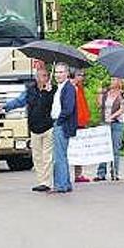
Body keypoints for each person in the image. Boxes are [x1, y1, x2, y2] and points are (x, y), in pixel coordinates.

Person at [0, 66, 57, 192]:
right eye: (42, 76)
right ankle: (41, 180)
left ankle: (47, 182)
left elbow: (57, 105)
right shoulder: (30, 90)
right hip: (34, 127)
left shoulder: (53, 90)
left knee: (47, 156)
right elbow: (19, 101)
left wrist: (49, 92)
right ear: (37, 78)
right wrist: (5, 107)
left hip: (48, 127)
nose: (45, 78)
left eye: (47, 76)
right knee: (37, 156)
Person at [51, 63, 78, 194]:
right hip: (58, 122)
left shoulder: (69, 88)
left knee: (59, 156)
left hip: (62, 124)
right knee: (62, 155)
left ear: (67, 73)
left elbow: (68, 109)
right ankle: (66, 183)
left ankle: (60, 185)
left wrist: (59, 122)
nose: (58, 75)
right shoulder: (59, 87)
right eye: (56, 72)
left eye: (61, 72)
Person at [95, 77, 124, 182]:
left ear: (119, 82)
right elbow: (100, 105)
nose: (111, 81)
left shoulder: (123, 95)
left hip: (117, 123)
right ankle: (100, 174)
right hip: (105, 122)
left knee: (115, 148)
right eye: (111, 79)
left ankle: (114, 173)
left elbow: (123, 109)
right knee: (103, 147)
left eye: (114, 80)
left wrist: (112, 116)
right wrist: (99, 93)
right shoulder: (106, 93)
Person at [71, 69, 92, 182]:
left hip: (81, 122)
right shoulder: (71, 88)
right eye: (80, 75)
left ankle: (78, 174)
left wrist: (86, 118)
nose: (82, 77)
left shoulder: (79, 88)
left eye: (83, 75)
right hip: (75, 122)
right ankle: (75, 174)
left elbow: (83, 105)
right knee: (74, 149)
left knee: (79, 149)